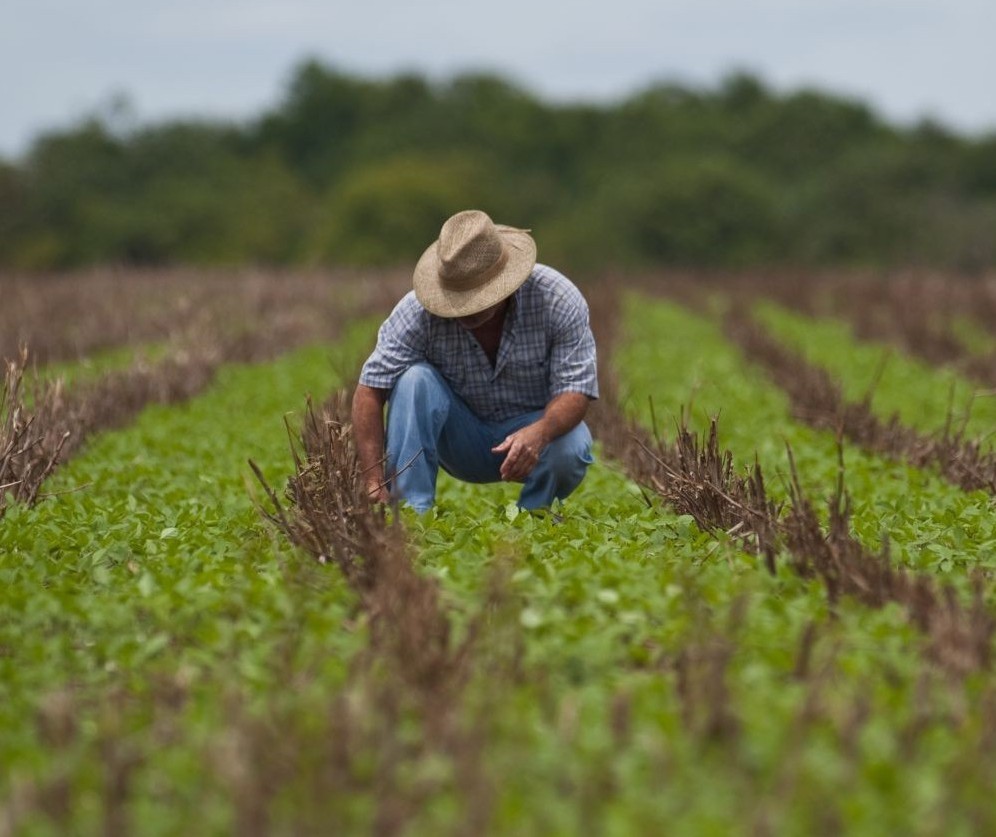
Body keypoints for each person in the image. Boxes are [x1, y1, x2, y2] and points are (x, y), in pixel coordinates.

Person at [352, 209, 598, 513]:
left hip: (532, 431)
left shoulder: (557, 299)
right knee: (414, 380)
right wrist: (373, 481)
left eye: (477, 296)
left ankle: (535, 515)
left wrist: (540, 432)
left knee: (572, 444)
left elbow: (576, 389)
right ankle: (410, 513)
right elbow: (369, 389)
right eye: (458, 296)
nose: (466, 309)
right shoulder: (416, 312)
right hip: (460, 439)